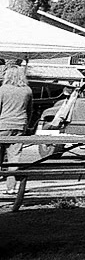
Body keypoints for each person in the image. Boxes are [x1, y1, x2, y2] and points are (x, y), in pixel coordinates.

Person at [1, 63, 34, 195]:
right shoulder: (27, 90)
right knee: (14, 158)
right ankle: (11, 187)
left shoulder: (3, 89)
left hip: (2, 125)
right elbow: (30, 110)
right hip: (20, 125)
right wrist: (27, 125)